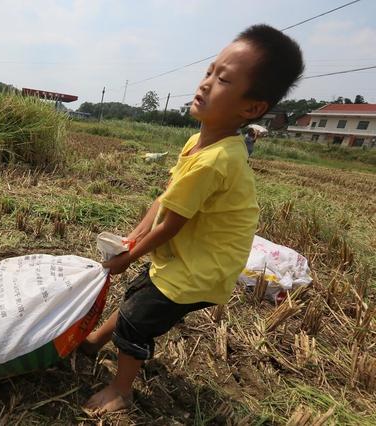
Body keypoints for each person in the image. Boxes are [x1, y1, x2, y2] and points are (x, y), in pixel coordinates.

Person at [81, 24, 304, 414]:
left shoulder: (216, 160)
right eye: (209, 71)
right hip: (188, 257)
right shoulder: (200, 143)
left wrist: (129, 255)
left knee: (137, 318)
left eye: (223, 79)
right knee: (139, 294)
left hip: (202, 268)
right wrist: (132, 239)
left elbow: (171, 224)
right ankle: (95, 341)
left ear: (251, 108)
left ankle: (121, 390)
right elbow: (167, 198)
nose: (204, 84)